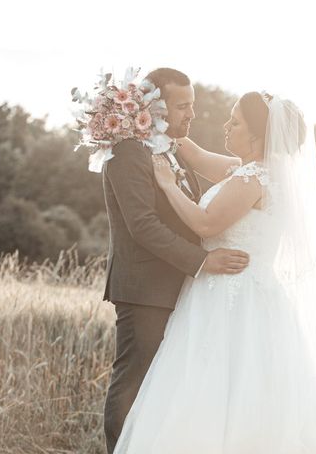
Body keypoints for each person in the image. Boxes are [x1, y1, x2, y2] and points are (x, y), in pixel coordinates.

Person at [112, 91, 316, 453]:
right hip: (239, 290)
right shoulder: (253, 172)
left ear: (256, 136)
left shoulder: (254, 179)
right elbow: (194, 153)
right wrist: (142, 119)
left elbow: (206, 223)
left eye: (235, 122)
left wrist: (169, 186)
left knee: (226, 385)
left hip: (236, 294)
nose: (226, 125)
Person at [101, 68, 250, 454]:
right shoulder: (128, 151)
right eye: (183, 106)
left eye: (192, 105)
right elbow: (143, 226)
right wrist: (203, 261)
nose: (192, 114)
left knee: (162, 388)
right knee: (135, 381)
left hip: (178, 287)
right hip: (146, 289)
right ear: (155, 106)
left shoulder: (167, 148)